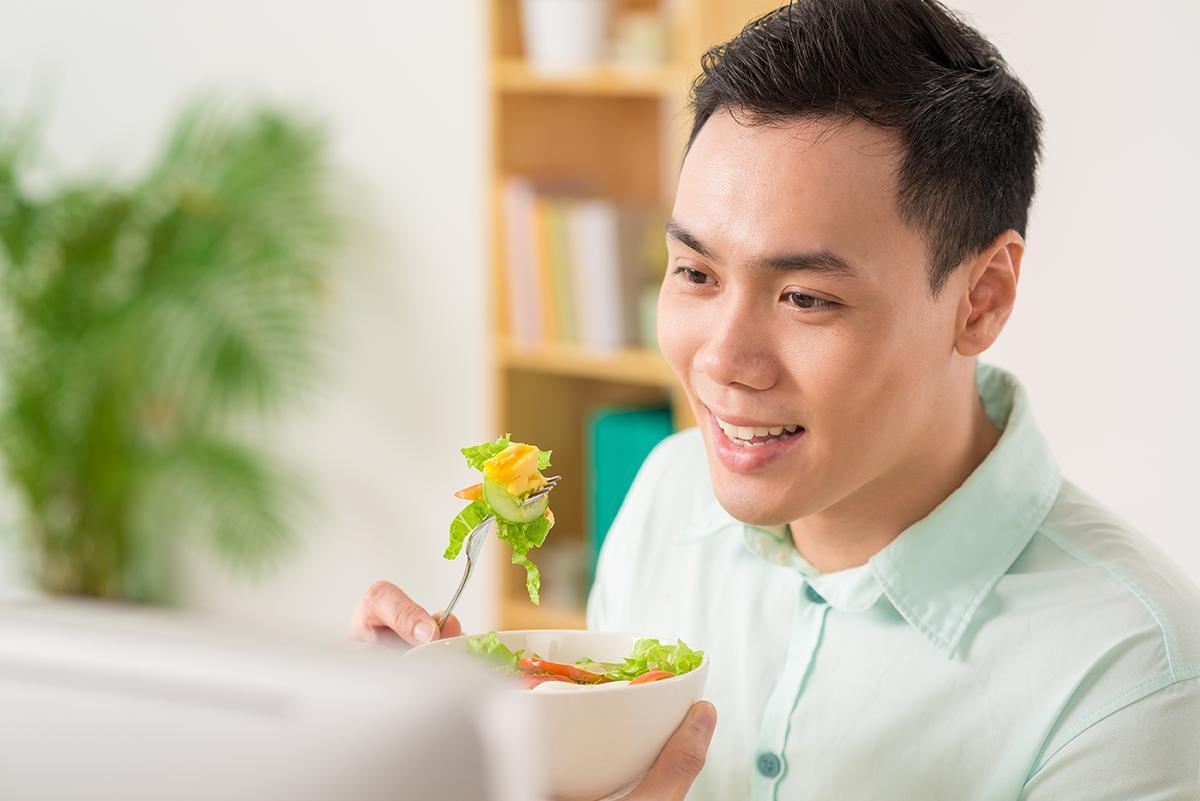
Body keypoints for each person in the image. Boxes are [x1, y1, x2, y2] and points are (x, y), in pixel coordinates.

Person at [351, 1, 1200, 798]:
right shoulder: (666, 497)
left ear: (980, 298)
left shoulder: (1130, 674)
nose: (722, 359)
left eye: (806, 298)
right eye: (694, 272)